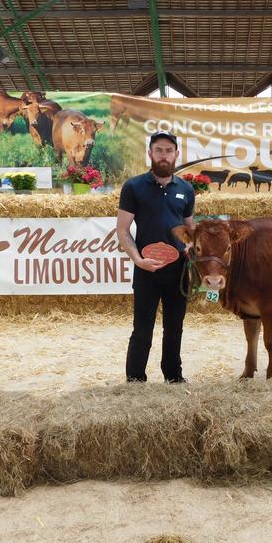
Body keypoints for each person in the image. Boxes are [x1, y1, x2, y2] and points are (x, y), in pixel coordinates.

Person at [117, 130, 195, 383]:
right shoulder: (133, 187)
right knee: (142, 328)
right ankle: (135, 377)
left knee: (174, 328)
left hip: (178, 272)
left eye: (168, 151)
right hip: (146, 270)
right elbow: (122, 229)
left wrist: (190, 246)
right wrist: (139, 260)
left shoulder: (186, 189)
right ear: (150, 153)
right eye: (159, 150)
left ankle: (173, 376)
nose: (164, 155)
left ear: (176, 155)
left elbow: (189, 230)